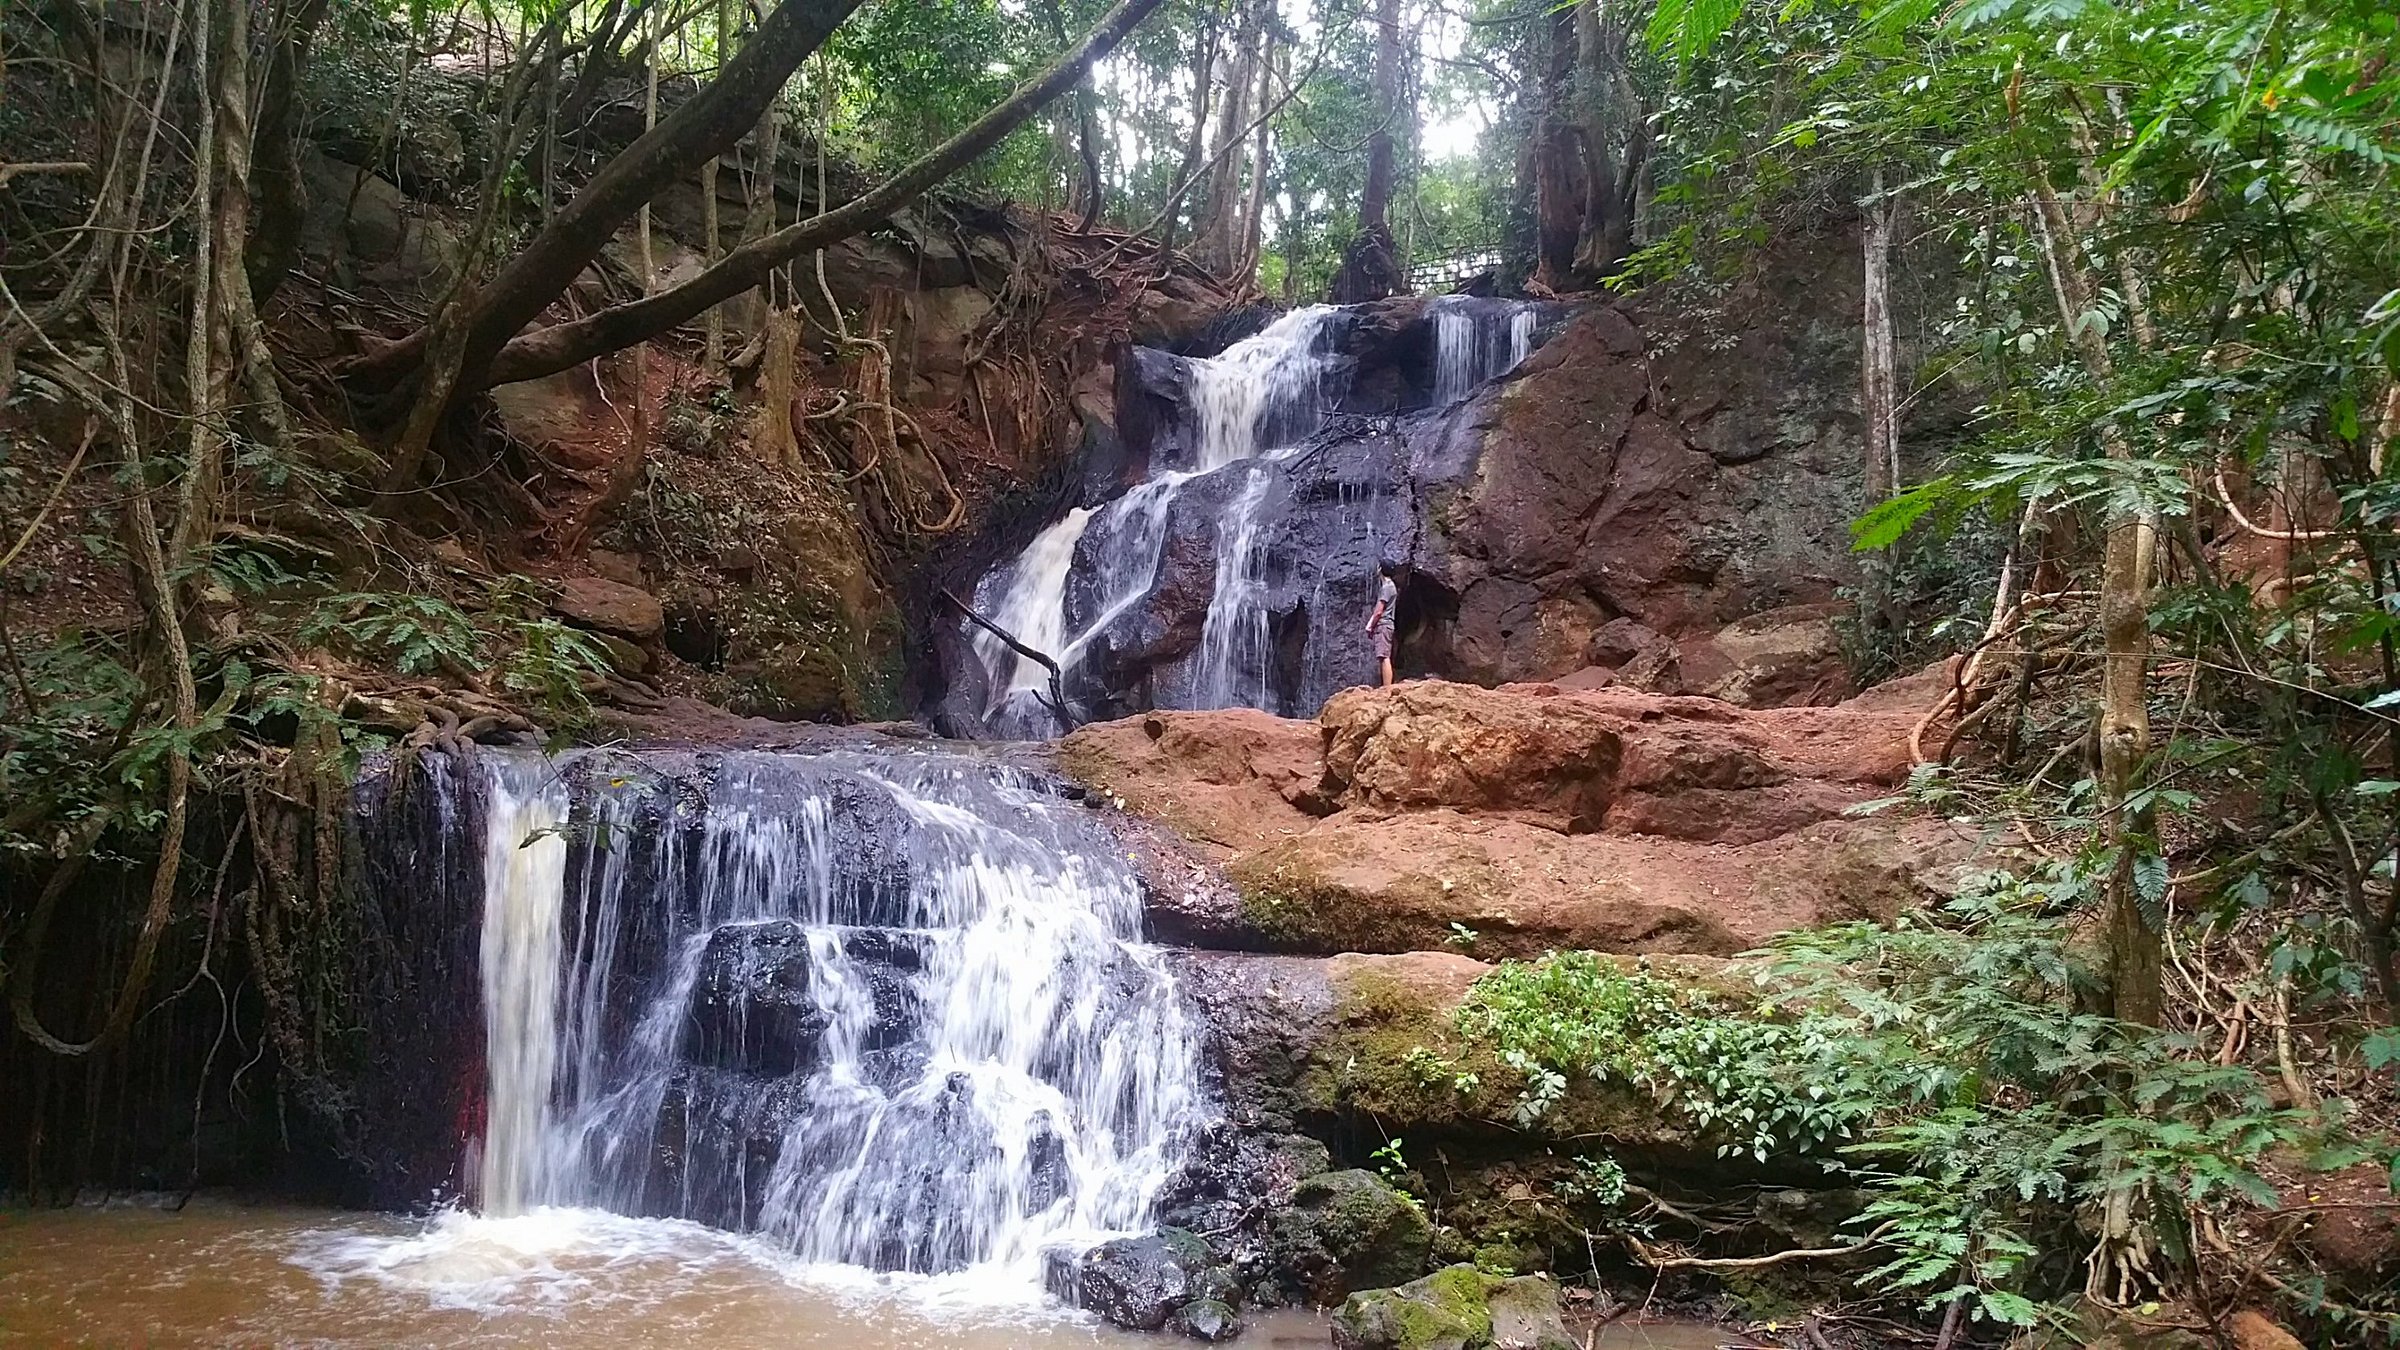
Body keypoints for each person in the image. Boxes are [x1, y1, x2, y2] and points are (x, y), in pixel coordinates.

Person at [1364, 564, 1399, 687]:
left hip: (1384, 625)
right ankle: (1386, 686)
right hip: (1387, 624)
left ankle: (1387, 688)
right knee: (1383, 656)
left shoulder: (1387, 587)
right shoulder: (1390, 586)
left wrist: (1370, 625)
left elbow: (1379, 610)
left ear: (1380, 570)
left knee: (1384, 657)